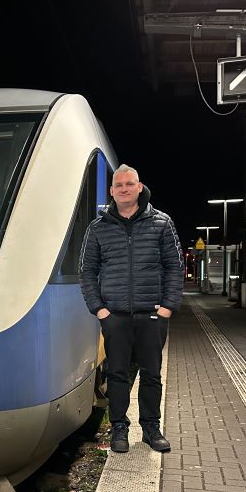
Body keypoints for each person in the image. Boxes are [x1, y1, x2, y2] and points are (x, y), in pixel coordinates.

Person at [80, 164, 183, 453]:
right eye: (119, 185)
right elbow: (87, 271)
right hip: (115, 316)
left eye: (129, 184)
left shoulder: (162, 223)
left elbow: (175, 267)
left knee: (152, 373)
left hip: (152, 314)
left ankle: (151, 429)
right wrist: (100, 310)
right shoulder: (98, 228)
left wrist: (167, 308)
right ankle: (119, 429)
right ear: (112, 191)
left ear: (140, 187)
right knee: (117, 374)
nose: (124, 189)